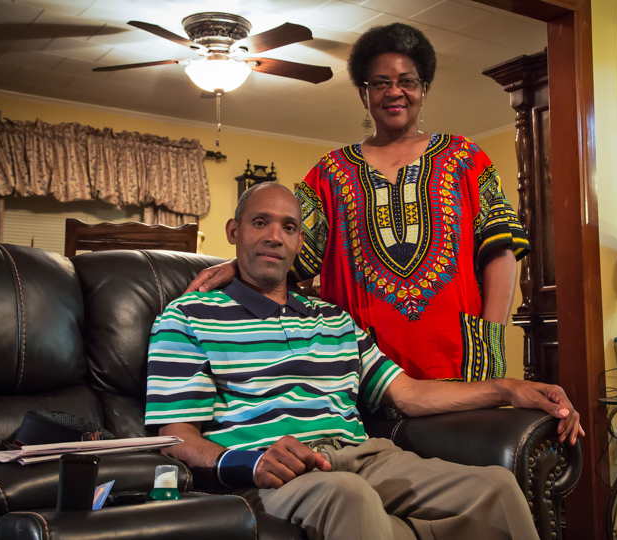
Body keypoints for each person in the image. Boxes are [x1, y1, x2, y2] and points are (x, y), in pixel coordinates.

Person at [145, 182, 583, 540]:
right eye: (260, 222)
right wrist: (250, 462)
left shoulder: (334, 319)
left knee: (495, 486)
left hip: (367, 456)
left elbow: (407, 393)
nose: (274, 236)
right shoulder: (187, 317)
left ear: (300, 241)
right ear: (233, 230)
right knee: (349, 495)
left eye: (289, 227)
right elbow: (176, 437)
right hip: (278, 473)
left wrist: (507, 388)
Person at [186, 23, 531, 384]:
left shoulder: (467, 158)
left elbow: (500, 251)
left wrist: (489, 340)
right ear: (363, 94)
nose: (394, 92)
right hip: (359, 367)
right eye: (380, 82)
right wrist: (235, 265)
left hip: (459, 360)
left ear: (424, 90)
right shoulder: (328, 173)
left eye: (407, 81)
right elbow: (288, 249)